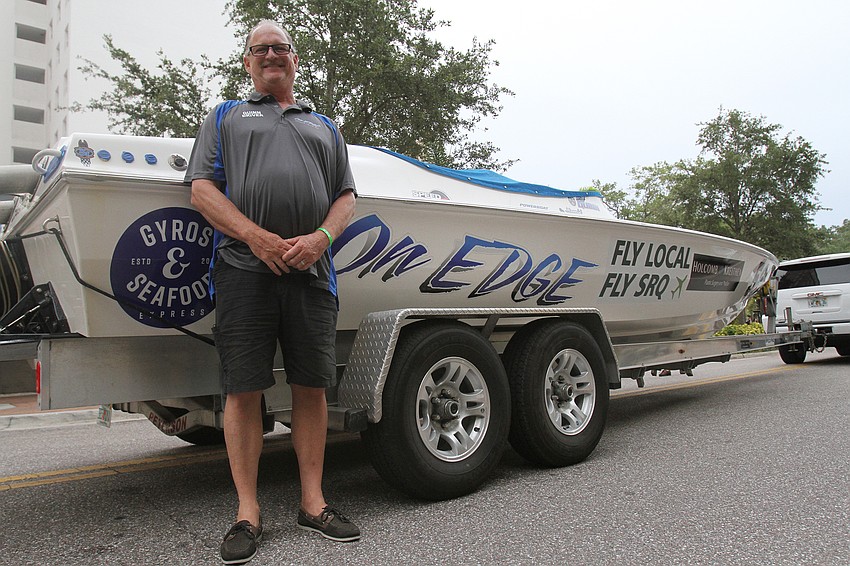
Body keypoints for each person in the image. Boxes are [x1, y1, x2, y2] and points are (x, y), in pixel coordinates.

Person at [185, 20, 359, 565]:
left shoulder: (325, 126)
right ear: (247, 63)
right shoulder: (226, 116)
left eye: (279, 48)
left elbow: (346, 197)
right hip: (242, 270)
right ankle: (246, 512)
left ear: (294, 59)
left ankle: (313, 503)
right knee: (243, 390)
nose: (269, 56)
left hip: (312, 273)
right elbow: (201, 189)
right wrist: (256, 238)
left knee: (311, 386)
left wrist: (321, 238)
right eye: (259, 49)